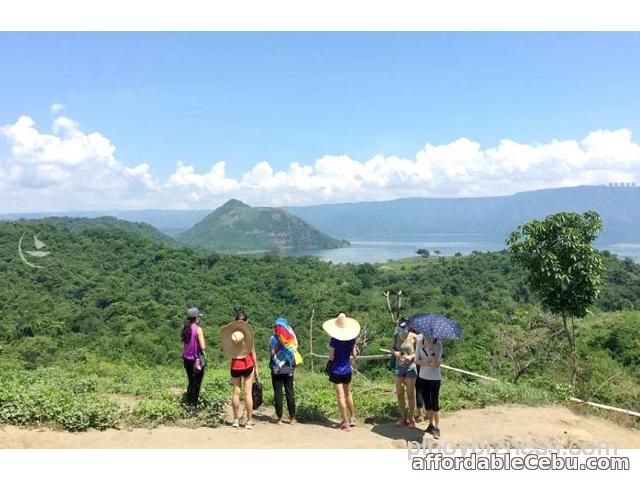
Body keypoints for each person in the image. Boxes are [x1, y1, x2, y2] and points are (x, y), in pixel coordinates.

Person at [220, 310, 259, 429]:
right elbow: (252, 353)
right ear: (246, 322)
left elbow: (230, 351)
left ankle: (236, 420)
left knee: (236, 393)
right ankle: (249, 420)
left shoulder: (233, 336)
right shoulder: (248, 337)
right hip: (248, 365)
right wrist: (256, 369)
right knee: (248, 393)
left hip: (235, 366)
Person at [322, 312, 360, 432]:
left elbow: (331, 357)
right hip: (347, 370)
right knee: (348, 394)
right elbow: (354, 356)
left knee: (340, 397)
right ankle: (353, 417)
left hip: (336, 371)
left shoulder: (334, 341)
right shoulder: (351, 340)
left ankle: (345, 421)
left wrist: (329, 363)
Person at [269, 317, 298, 424]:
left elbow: (272, 353)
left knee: (278, 392)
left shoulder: (273, 338)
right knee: (289, 391)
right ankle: (292, 417)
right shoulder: (291, 339)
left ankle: (279, 418)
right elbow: (294, 350)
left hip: (276, 367)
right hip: (288, 366)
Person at [391, 320, 419, 428]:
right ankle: (402, 417)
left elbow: (419, 352)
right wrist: (395, 353)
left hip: (410, 368)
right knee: (399, 394)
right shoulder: (396, 336)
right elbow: (392, 348)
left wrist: (411, 357)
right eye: (401, 330)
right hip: (399, 368)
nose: (403, 332)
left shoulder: (414, 337)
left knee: (410, 394)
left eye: (405, 330)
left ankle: (411, 418)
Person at [415, 335, 443, 439]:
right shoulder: (420, 343)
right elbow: (416, 360)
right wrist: (424, 362)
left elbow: (436, 364)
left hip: (435, 378)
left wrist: (432, 350)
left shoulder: (438, 344)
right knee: (427, 403)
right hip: (422, 377)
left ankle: (437, 427)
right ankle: (430, 424)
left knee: (434, 403)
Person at [181, 307, 206, 410]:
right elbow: (203, 346)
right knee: (197, 384)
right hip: (196, 360)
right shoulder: (198, 329)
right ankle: (193, 407)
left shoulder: (185, 328)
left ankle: (188, 403)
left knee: (191, 381)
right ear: (196, 318)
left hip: (186, 359)